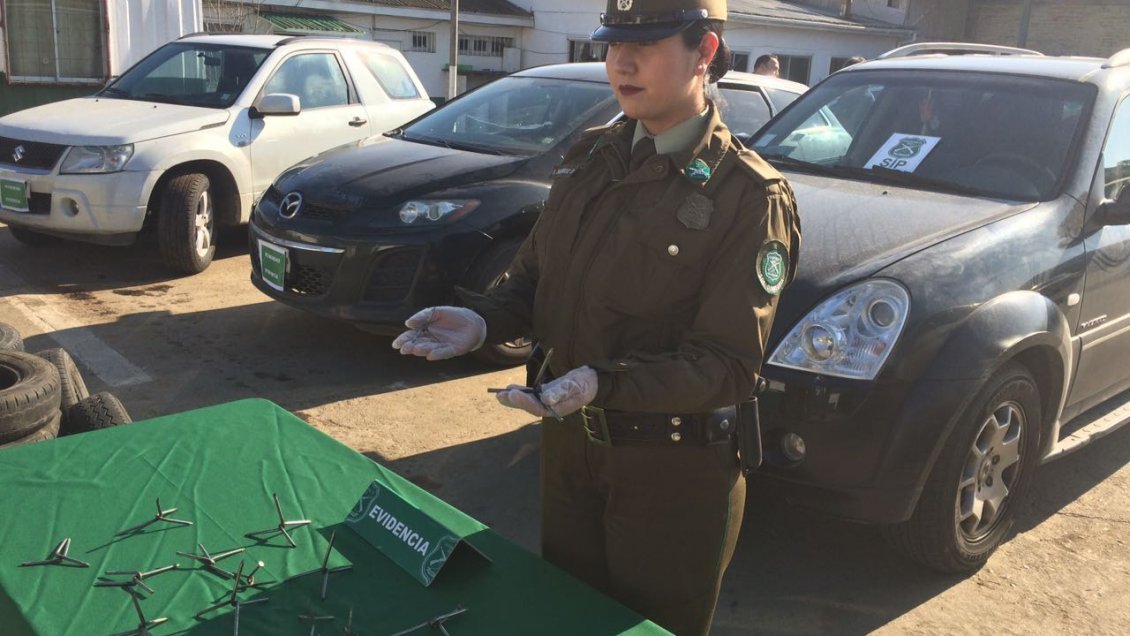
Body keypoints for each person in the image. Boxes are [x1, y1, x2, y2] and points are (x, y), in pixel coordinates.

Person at [392, 1, 801, 634]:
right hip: (570, 450)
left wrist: (602, 383)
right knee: (563, 616)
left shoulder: (747, 196)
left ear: (705, 52)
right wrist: (485, 322)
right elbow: (535, 278)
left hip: (671, 474)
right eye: (613, 44)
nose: (622, 62)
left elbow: (725, 364)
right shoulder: (592, 155)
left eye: (650, 44)